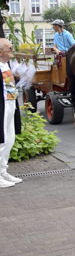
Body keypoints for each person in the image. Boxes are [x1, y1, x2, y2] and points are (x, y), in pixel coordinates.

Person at [0, 39, 22, 188]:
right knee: (1, 141)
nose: (12, 51)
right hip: (2, 106)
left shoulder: (6, 65)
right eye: (10, 49)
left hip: (10, 104)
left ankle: (3, 171)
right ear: (0, 52)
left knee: (9, 139)